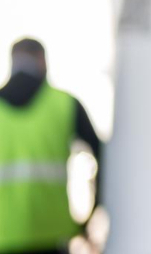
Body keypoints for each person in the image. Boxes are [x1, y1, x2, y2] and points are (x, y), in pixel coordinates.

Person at [0, 38, 103, 254]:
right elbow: (102, 155)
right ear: (41, 61)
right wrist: (89, 216)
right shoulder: (65, 103)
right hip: (53, 238)